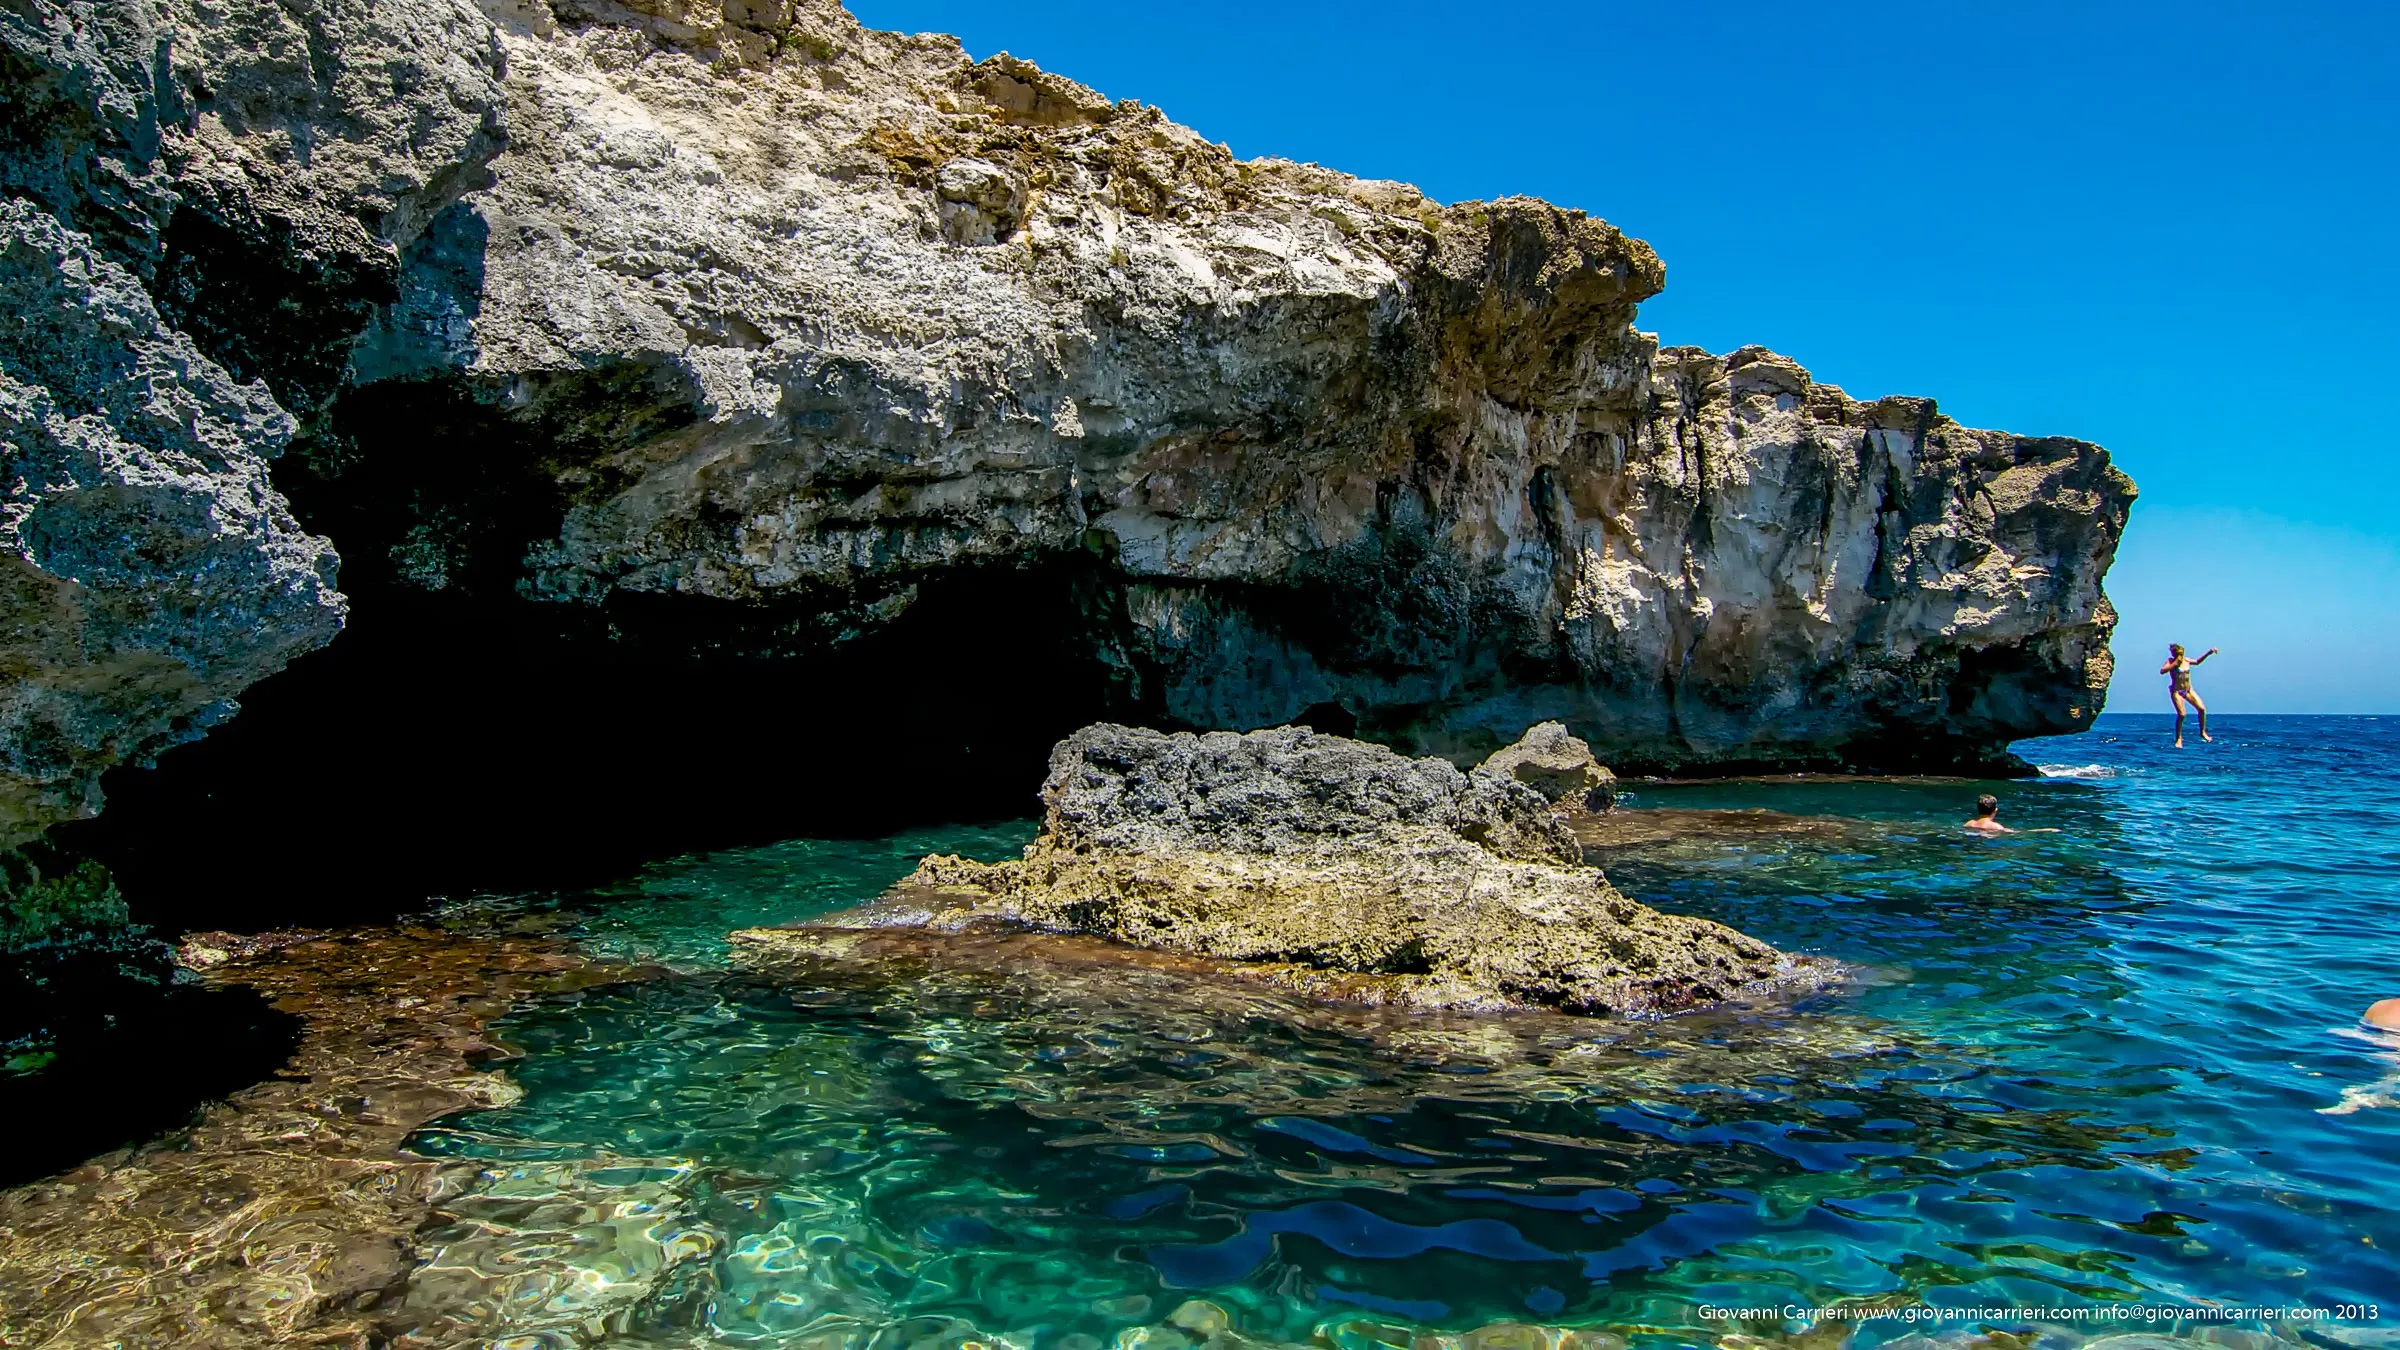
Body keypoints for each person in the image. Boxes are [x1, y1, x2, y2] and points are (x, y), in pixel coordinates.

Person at [2160, 643, 2218, 747]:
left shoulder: (2186, 660)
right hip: (2177, 691)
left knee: (2202, 709)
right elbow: (2162, 671)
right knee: (2182, 714)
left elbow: (2197, 662)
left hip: (2188, 690)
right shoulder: (2171, 661)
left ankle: (2202, 732)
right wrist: (2174, 664)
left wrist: (2209, 653)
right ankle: (2178, 738)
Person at [1963, 795, 2058, 835]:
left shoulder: (1969, 823)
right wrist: (2046, 830)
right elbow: (2018, 832)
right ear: (1995, 810)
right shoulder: (1996, 827)